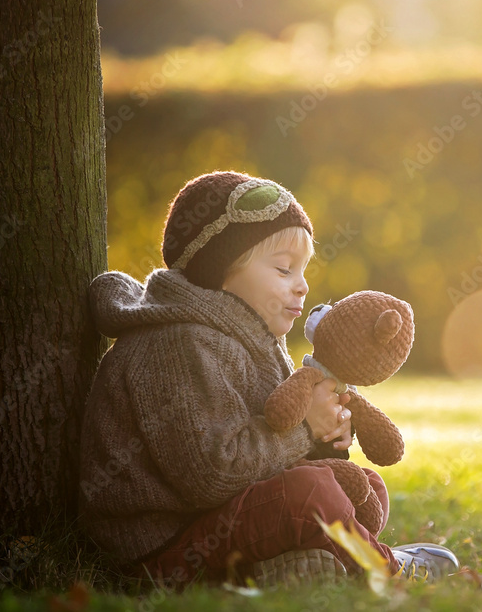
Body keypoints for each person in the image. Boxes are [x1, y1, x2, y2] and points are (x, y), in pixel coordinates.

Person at [78, 170, 458, 588]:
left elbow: (264, 446)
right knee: (310, 492)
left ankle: (283, 567)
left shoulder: (248, 334)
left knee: (363, 487)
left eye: (303, 270)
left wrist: (320, 440)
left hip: (211, 523)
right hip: (162, 548)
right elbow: (213, 475)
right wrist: (305, 429)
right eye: (283, 270)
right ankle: (385, 567)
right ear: (218, 270)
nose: (302, 286)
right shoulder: (175, 343)